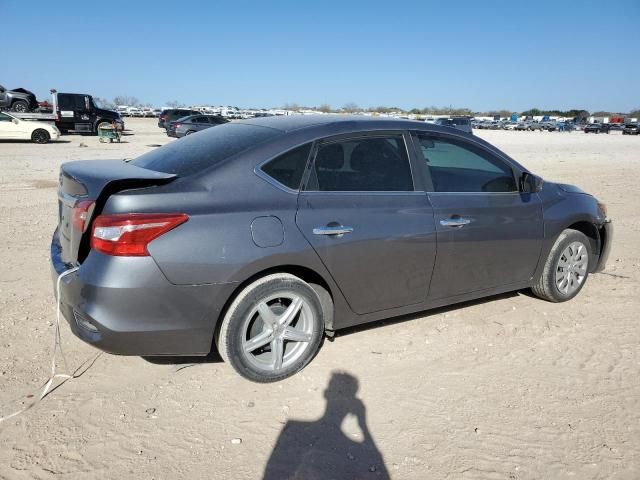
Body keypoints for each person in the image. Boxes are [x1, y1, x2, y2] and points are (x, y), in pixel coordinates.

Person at [263, 372, 389, 479]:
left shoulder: (294, 430)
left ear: (326, 394)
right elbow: (381, 469)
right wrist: (363, 424)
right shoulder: (357, 449)